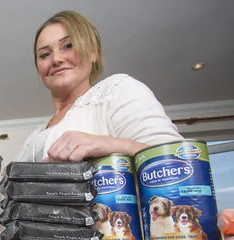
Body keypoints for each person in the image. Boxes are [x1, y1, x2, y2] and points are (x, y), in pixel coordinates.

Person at [16, 10, 182, 162]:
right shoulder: (33, 138)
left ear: (93, 52)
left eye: (68, 46)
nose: (56, 59)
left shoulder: (118, 91)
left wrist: (110, 144)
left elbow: (177, 162)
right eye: (45, 54)